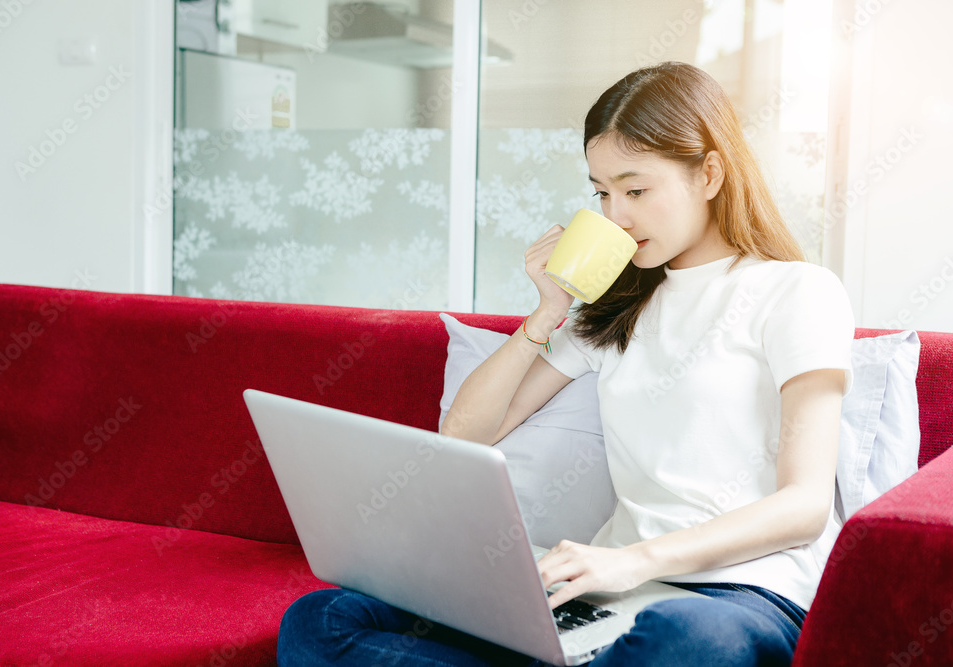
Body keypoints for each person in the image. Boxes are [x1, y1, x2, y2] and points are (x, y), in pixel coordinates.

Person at [276, 61, 854, 666]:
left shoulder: (797, 292)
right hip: (608, 596)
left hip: (743, 597)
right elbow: (467, 434)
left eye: (635, 190)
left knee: (680, 638)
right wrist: (548, 309)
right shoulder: (614, 314)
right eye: (601, 193)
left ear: (709, 173)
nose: (616, 217)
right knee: (324, 620)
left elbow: (804, 505)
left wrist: (631, 561)